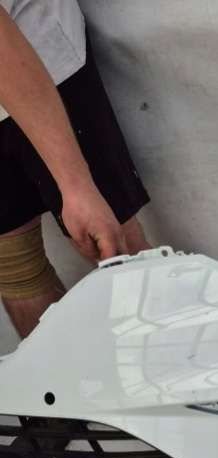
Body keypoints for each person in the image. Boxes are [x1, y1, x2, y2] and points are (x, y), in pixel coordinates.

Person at [0, 0, 151, 339]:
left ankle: (174, 366)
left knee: (114, 245)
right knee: (14, 265)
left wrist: (76, 184)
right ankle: (63, 372)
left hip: (36, 57)